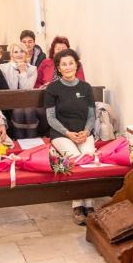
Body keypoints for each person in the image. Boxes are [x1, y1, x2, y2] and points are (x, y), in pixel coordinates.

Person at [44, 49, 96, 225]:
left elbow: (92, 116)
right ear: (58, 68)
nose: (67, 67)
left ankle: (89, 205)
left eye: (70, 63)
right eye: (63, 64)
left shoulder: (85, 87)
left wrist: (86, 131)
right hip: (62, 134)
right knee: (75, 158)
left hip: (83, 133)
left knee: (89, 158)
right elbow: (51, 118)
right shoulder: (52, 89)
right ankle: (78, 205)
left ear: (76, 65)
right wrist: (68, 133)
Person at [0, 43, 38, 138]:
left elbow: (27, 90)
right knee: (18, 111)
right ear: (11, 54)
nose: (19, 54)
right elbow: (7, 89)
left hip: (27, 101)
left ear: (26, 53)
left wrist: (23, 71)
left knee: (29, 110)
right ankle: (19, 139)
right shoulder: (3, 67)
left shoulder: (32, 69)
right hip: (10, 101)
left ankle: (31, 140)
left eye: (22, 51)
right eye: (15, 52)